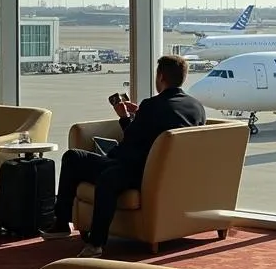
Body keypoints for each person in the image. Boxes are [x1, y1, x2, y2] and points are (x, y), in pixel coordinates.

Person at [41, 55, 206, 256]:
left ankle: (77, 232)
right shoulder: (197, 108)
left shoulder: (152, 105)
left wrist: (125, 118)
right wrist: (141, 116)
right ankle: (84, 236)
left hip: (136, 170)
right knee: (88, 163)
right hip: (164, 173)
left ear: (161, 77)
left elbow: (130, 138)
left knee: (76, 160)